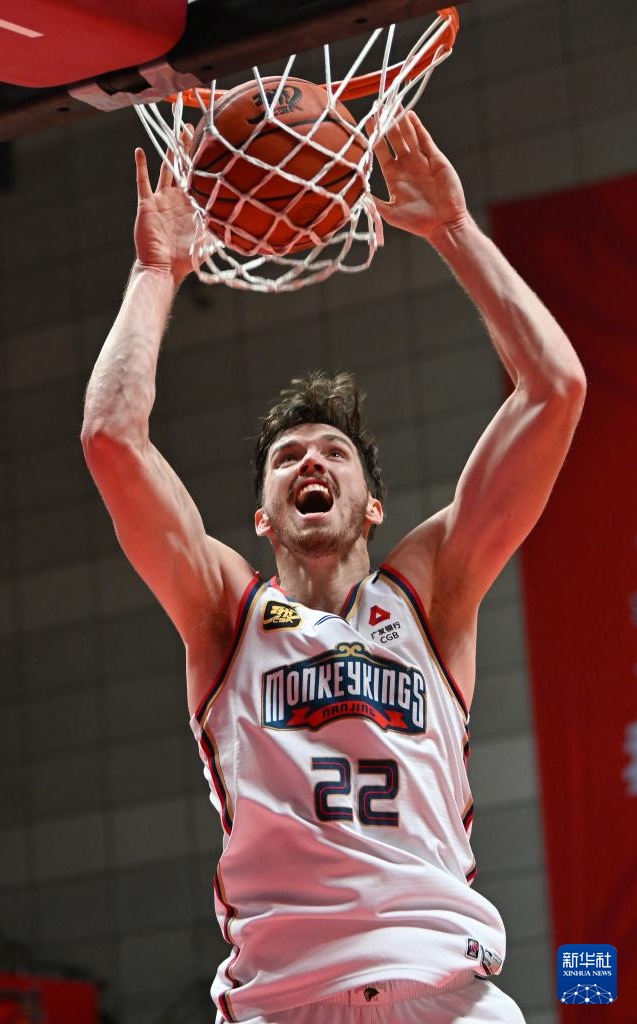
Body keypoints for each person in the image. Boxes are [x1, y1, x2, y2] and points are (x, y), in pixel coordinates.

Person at [81, 111, 585, 1024]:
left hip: (445, 992)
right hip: (287, 1000)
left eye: (333, 453)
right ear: (262, 516)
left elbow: (555, 390)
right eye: (287, 458)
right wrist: (155, 273)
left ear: (373, 505)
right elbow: (112, 439)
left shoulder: (429, 593)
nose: (309, 461)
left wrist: (453, 229)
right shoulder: (226, 613)